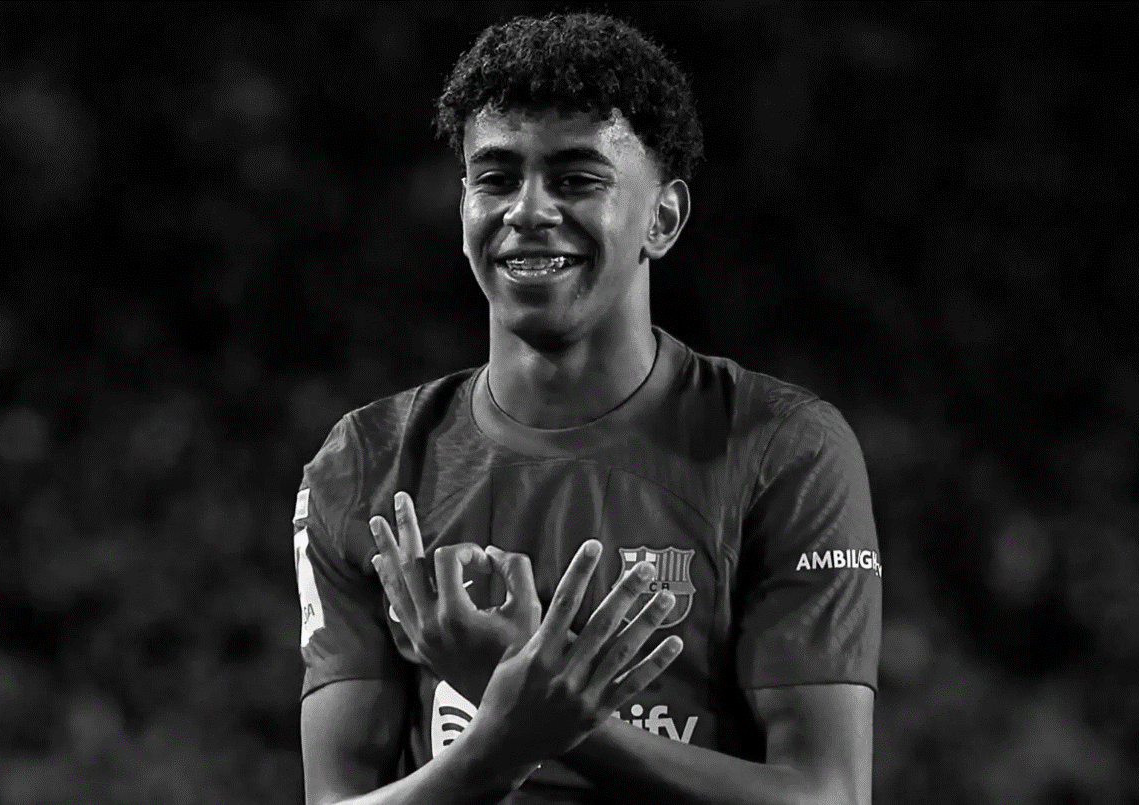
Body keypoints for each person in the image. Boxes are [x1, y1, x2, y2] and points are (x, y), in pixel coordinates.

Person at [294, 12, 881, 805]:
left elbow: (825, 794)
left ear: (661, 219)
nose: (527, 210)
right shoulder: (365, 462)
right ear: (463, 208)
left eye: (575, 179)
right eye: (495, 178)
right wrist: (499, 741)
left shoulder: (783, 446)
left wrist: (541, 710)